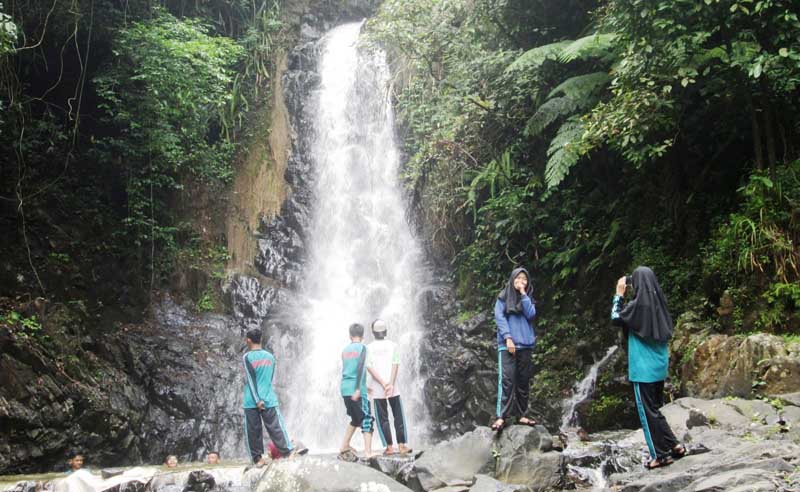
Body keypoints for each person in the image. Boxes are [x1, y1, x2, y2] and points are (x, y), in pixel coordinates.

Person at [611, 266, 686, 469]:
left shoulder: (637, 306)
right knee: (655, 410)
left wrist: (619, 294)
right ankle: (674, 445)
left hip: (643, 370)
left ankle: (659, 456)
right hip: (659, 368)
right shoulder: (660, 304)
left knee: (647, 413)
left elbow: (615, 317)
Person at [242, 328, 307, 464]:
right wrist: (264, 395)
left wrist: (257, 400)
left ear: (248, 340)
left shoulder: (247, 357)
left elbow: (251, 379)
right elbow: (269, 378)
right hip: (268, 397)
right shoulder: (270, 357)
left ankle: (257, 459)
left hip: (252, 401)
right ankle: (287, 452)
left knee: (254, 430)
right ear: (261, 339)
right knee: (275, 427)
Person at [492, 267, 537, 431]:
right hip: (507, 345)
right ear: (512, 280)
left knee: (523, 381)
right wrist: (508, 338)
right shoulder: (503, 297)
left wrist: (523, 293)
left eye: (524, 279)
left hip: (525, 345)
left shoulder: (528, 298)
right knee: (507, 380)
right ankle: (501, 416)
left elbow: (531, 315)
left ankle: (522, 415)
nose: (521, 282)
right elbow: (499, 317)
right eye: (517, 279)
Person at [366, 319, 412, 455]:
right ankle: (402, 445)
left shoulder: (368, 348)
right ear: (385, 331)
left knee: (382, 417)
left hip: (378, 387)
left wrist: (382, 383)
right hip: (393, 387)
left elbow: (369, 367)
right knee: (398, 415)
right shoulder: (393, 345)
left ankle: (389, 447)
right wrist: (390, 383)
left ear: (373, 332)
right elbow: (395, 363)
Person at [339, 323, 374, 459]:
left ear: (350, 335)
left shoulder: (345, 350)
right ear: (363, 335)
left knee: (355, 418)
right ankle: (368, 452)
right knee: (367, 419)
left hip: (345, 388)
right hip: (357, 390)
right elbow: (360, 367)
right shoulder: (363, 348)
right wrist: (359, 388)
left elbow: (348, 369)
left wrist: (365, 386)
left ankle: (344, 445)